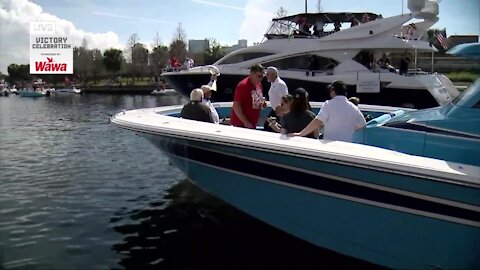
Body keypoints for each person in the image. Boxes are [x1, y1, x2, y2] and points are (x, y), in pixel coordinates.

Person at [289, 81, 366, 142]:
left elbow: (317, 121)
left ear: (333, 91)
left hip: (330, 145)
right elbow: (362, 124)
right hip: (346, 146)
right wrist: (348, 129)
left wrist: (301, 133)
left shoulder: (328, 104)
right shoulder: (353, 108)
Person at [230, 64, 266, 129]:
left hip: (253, 123)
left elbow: (255, 102)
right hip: (241, 125)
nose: (260, 79)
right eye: (259, 76)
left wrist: (262, 104)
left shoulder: (259, 85)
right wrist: (246, 122)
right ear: (251, 73)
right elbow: (236, 106)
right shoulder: (243, 85)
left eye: (262, 76)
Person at [263, 66, 288, 132]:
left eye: (268, 74)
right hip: (274, 110)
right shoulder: (273, 83)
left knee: (268, 127)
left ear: (273, 75)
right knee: (267, 125)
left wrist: (281, 112)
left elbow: (285, 99)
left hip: (280, 112)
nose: (266, 76)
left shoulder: (280, 84)